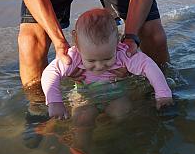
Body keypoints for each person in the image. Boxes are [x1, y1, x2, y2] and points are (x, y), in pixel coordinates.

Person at [17, 0, 170, 89]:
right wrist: (59, 43)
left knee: (154, 37)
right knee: (30, 42)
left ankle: (161, 95)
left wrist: (130, 39)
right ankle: (38, 108)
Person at [41, 8, 173, 120]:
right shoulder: (73, 56)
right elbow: (51, 72)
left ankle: (117, 142)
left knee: (122, 112)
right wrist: (54, 101)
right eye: (91, 60)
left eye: (107, 58)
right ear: (77, 45)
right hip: (85, 96)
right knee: (81, 119)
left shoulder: (124, 54)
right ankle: (80, 148)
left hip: (117, 96)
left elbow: (149, 66)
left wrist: (163, 94)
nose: (99, 66)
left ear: (117, 42)